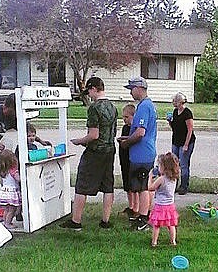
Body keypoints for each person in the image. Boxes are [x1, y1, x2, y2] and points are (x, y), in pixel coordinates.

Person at [61, 77, 118, 230]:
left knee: (82, 184)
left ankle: (76, 221)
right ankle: (105, 221)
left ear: (93, 89)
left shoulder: (94, 108)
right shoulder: (113, 107)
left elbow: (94, 134)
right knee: (107, 185)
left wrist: (80, 141)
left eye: (89, 92)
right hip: (110, 150)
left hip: (95, 151)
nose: (89, 95)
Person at [119, 76, 157, 231]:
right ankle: (142, 215)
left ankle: (143, 218)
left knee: (142, 187)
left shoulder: (144, 107)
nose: (131, 93)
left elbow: (140, 133)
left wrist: (127, 143)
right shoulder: (147, 105)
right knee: (142, 186)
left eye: (132, 89)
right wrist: (127, 137)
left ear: (139, 88)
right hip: (143, 152)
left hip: (142, 154)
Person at [148, 152, 180, 247]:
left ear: (165, 167)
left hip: (160, 206)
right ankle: (173, 241)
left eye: (159, 166)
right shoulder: (174, 178)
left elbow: (150, 188)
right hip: (170, 206)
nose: (158, 168)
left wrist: (149, 178)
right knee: (171, 224)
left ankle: (154, 242)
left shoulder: (161, 179)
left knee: (156, 225)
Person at [168, 92, 195, 195]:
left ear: (180, 102)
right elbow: (175, 128)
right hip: (176, 141)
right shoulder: (175, 112)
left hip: (186, 141)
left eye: (175, 101)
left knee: (183, 164)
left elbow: (190, 130)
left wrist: (186, 145)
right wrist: (170, 122)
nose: (173, 103)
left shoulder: (187, 113)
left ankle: (184, 186)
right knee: (174, 163)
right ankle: (174, 184)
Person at [117, 103, 140, 220]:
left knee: (134, 185)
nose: (124, 120)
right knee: (127, 183)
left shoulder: (135, 129)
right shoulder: (125, 128)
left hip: (133, 159)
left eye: (126, 117)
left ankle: (136, 208)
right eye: (123, 117)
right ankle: (130, 205)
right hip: (124, 158)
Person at [0, 149, 21, 229]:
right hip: (12, 193)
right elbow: (18, 179)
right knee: (12, 210)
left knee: (6, 210)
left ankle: (5, 222)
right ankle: (8, 223)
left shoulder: (3, 171)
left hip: (5, 192)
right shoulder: (13, 171)